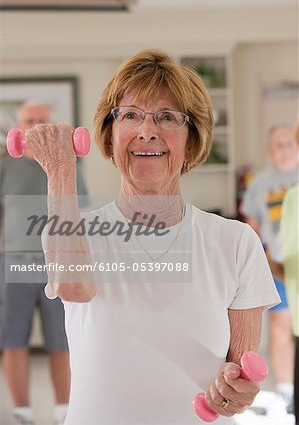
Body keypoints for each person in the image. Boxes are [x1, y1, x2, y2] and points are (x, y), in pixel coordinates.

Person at [25, 49, 279, 424]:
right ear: (109, 136)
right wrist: (60, 169)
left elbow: (240, 372)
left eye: (167, 117)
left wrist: (235, 391)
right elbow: (74, 286)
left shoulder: (237, 242)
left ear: (191, 139)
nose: (148, 130)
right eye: (130, 115)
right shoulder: (72, 229)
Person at [0, 100, 88, 425]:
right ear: (18, 128)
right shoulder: (5, 167)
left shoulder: (70, 165)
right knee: (13, 339)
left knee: (61, 340)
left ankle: (64, 411)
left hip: (57, 263)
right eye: (29, 120)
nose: (36, 126)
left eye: (42, 120)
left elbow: (83, 212)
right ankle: (22, 413)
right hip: (13, 262)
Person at [241, 124, 298, 412]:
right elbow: (253, 228)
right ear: (269, 149)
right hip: (276, 266)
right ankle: (288, 392)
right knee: (281, 327)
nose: (285, 149)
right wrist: (263, 261)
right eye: (279, 144)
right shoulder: (260, 183)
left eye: (290, 143)